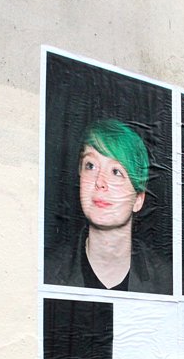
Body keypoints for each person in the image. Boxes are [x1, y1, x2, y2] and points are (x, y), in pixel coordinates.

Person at [46, 119, 169, 294]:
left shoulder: (167, 282)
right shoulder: (47, 272)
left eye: (116, 172)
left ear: (138, 199)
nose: (100, 182)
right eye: (90, 166)